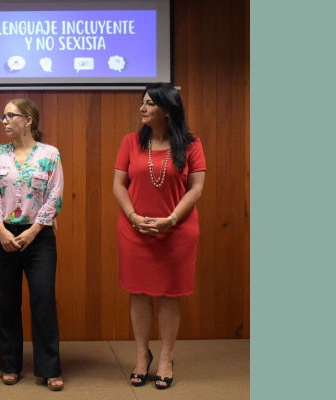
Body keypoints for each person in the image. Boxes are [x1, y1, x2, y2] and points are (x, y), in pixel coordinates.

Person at [112, 83, 206, 390]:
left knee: (169, 294)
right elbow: (119, 185)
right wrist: (133, 217)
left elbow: (196, 189)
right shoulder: (130, 142)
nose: (142, 108)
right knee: (138, 294)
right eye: (142, 102)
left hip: (176, 231)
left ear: (167, 110)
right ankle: (142, 356)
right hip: (135, 230)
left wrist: (171, 220)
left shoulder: (191, 145)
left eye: (150, 103)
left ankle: (166, 358)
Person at [0, 98, 66, 391]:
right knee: (6, 302)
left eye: (10, 116)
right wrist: (0, 231)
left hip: (39, 237)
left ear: (28, 120)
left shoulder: (49, 154)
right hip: (2, 237)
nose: (4, 121)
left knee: (43, 301)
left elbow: (55, 196)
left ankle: (49, 368)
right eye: (3, 116)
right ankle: (10, 364)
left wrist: (33, 231)